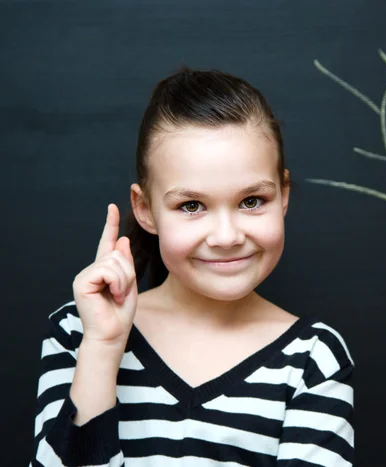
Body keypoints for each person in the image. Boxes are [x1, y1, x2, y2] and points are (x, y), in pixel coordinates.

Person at [29, 67, 354, 466]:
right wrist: (103, 348)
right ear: (145, 209)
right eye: (191, 206)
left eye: (252, 201)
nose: (226, 236)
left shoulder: (312, 357)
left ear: (283, 194)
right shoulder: (79, 331)